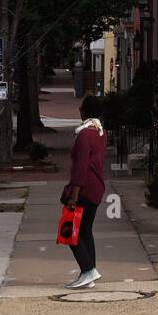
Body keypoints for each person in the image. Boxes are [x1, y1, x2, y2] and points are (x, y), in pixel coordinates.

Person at [62, 94, 107, 289]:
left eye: (81, 108)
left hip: (83, 189)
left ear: (85, 111)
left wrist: (74, 195)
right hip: (96, 188)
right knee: (85, 231)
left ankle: (89, 270)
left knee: (69, 232)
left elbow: (81, 167)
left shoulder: (84, 135)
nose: (79, 110)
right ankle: (88, 273)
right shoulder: (100, 132)